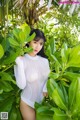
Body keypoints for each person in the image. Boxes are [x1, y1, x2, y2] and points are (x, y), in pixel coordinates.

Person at [14, 29, 50, 120]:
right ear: (28, 41)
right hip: (27, 102)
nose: (38, 46)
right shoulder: (20, 60)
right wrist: (20, 64)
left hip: (41, 104)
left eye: (41, 44)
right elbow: (22, 86)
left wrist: (45, 88)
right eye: (35, 42)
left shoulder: (44, 61)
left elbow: (48, 77)